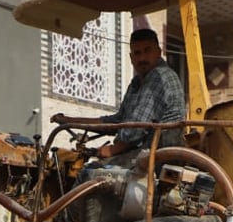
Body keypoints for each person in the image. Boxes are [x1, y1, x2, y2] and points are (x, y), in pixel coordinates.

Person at [51, 28, 186, 165]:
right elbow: (118, 121)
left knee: (90, 173)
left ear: (158, 52)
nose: (142, 58)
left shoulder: (159, 76)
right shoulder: (136, 83)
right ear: (131, 57)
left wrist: (111, 150)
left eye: (147, 51)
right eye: (137, 53)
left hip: (158, 156)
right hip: (144, 153)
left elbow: (136, 129)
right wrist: (70, 121)